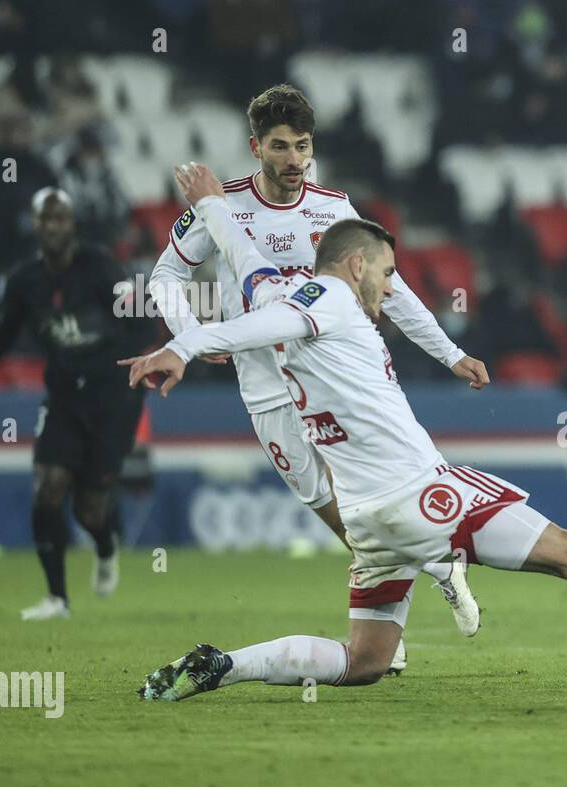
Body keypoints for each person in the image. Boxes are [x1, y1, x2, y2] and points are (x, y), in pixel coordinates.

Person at [123, 164, 567, 700]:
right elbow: (256, 325)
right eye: (384, 274)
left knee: (365, 661)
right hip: (417, 493)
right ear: (355, 266)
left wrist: (212, 212)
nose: (388, 289)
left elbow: (247, 269)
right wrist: (187, 346)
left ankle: (226, 665)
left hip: (364, 519)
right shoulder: (327, 299)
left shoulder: (278, 294)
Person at [146, 84, 488, 672]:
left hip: (335, 381)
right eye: (279, 147)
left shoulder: (333, 208)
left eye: (302, 146)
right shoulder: (222, 206)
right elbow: (165, 274)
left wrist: (449, 354)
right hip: (265, 386)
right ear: (255, 148)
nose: (293, 160)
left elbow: (391, 287)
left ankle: (397, 613)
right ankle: (430, 569)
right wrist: (186, 332)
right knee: (332, 507)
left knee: (375, 493)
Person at [0, 188, 152, 619]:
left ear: (72, 224)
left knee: (89, 507)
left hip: (113, 397)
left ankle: (105, 546)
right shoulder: (25, 280)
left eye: (60, 218)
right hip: (66, 396)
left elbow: (141, 320)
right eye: (45, 219)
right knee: (47, 489)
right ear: (36, 225)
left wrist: (138, 364)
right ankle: (57, 599)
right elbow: (7, 329)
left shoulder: (101, 269)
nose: (53, 227)